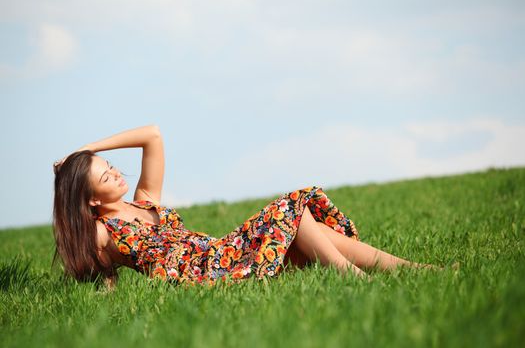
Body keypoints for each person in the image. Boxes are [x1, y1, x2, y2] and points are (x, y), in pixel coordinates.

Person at [52, 125, 439, 289]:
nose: (118, 176)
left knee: (311, 228)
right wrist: (106, 283)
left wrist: (90, 150)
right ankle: (356, 281)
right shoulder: (103, 231)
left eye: (112, 169)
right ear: (90, 200)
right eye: (106, 178)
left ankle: (420, 271)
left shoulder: (144, 200)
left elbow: (152, 135)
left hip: (222, 251)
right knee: (291, 209)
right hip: (205, 272)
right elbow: (84, 258)